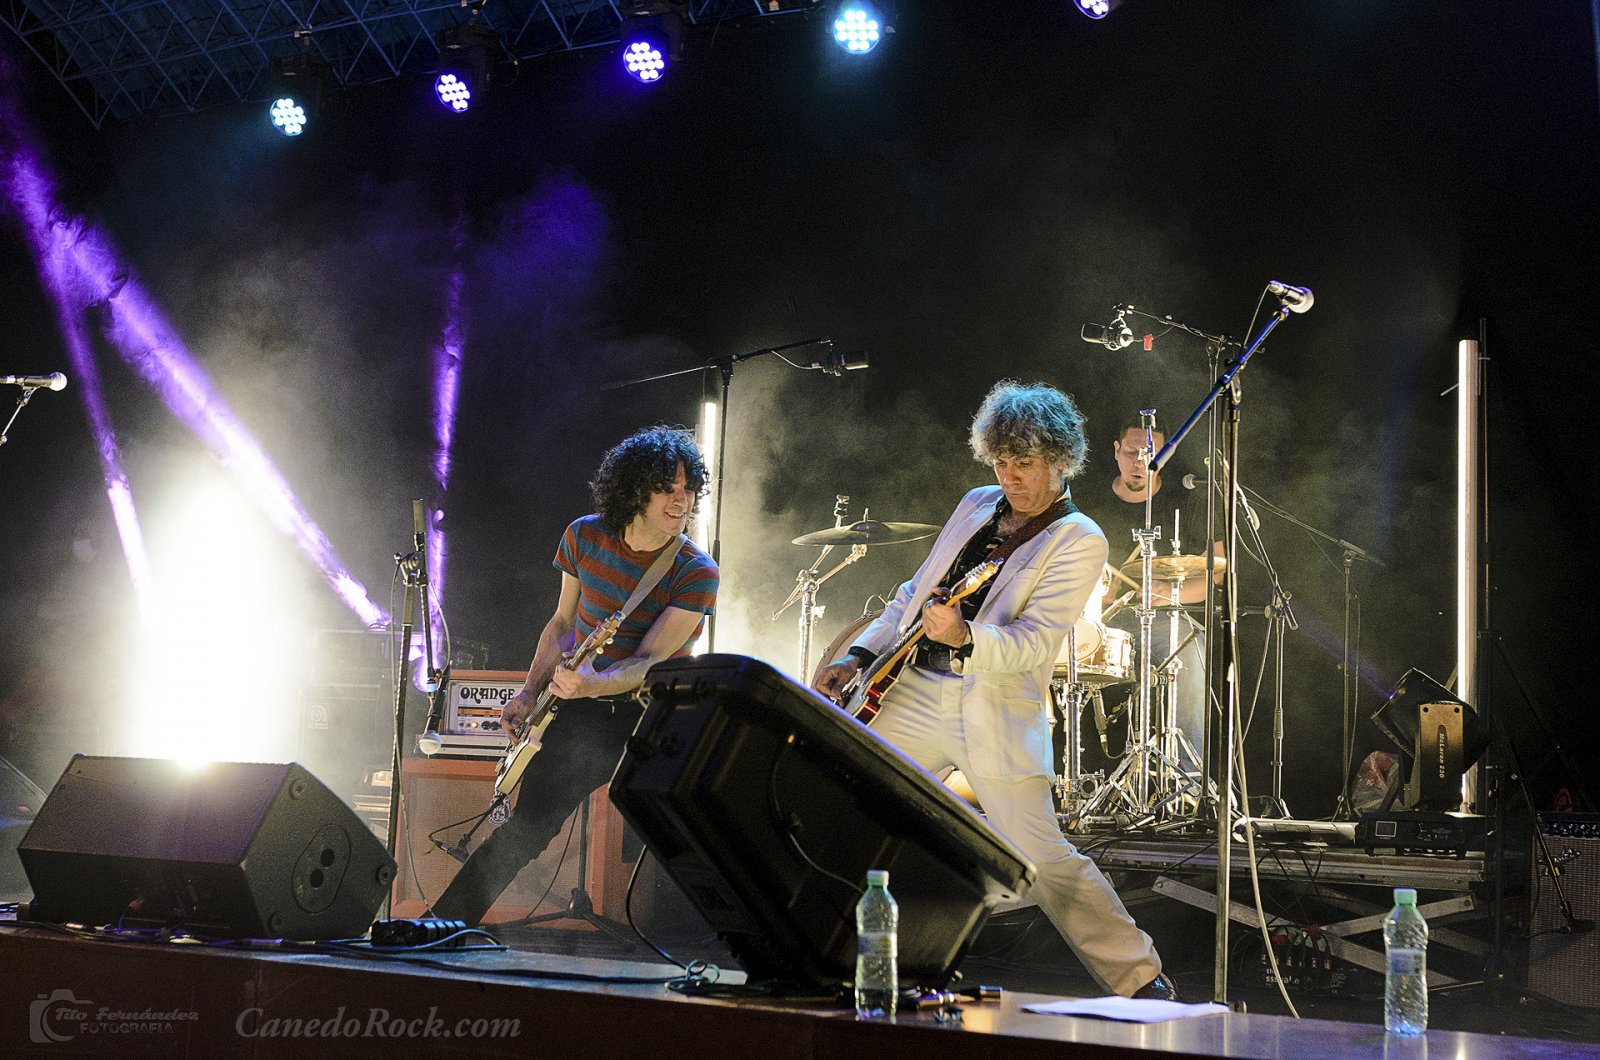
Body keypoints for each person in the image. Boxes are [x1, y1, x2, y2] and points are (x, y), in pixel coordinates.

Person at [812, 380, 1174, 1000]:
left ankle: (1140, 979)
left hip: (993, 705)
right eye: (1001, 462)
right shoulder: (976, 503)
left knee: (1043, 858)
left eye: (1024, 463)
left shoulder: (1080, 537)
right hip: (913, 689)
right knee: (848, 811)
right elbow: (913, 593)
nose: (1010, 476)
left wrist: (964, 635)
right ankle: (826, 955)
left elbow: (1034, 645)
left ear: (1059, 460)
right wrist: (858, 653)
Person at [431, 426, 718, 926]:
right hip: (580, 710)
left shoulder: (696, 571)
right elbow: (563, 625)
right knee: (528, 827)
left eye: (689, 489)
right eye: (667, 489)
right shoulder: (584, 536)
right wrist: (529, 692)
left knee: (684, 830)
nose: (682, 501)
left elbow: (650, 660)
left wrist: (593, 684)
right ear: (634, 489)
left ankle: (711, 942)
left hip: (648, 717)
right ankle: (440, 924)